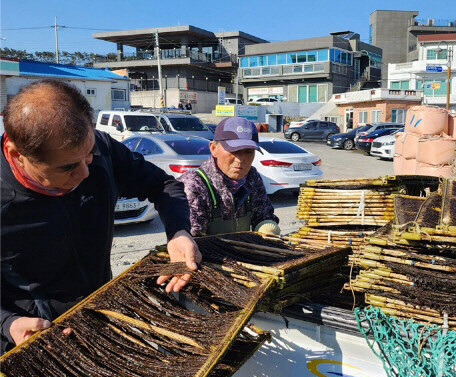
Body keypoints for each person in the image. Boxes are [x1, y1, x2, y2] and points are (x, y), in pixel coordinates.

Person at [0, 80, 202, 358]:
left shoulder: (103, 149)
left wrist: (179, 232)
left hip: (100, 315)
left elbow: (163, 185)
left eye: (88, 155)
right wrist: (7, 323)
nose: (84, 173)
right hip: (31, 339)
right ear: (16, 154)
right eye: (68, 166)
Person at [179, 116, 279, 236]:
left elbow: (263, 214)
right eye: (234, 151)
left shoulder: (252, 177)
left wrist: (268, 228)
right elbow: (192, 236)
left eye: (248, 152)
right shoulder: (192, 185)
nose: (240, 159)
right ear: (213, 148)